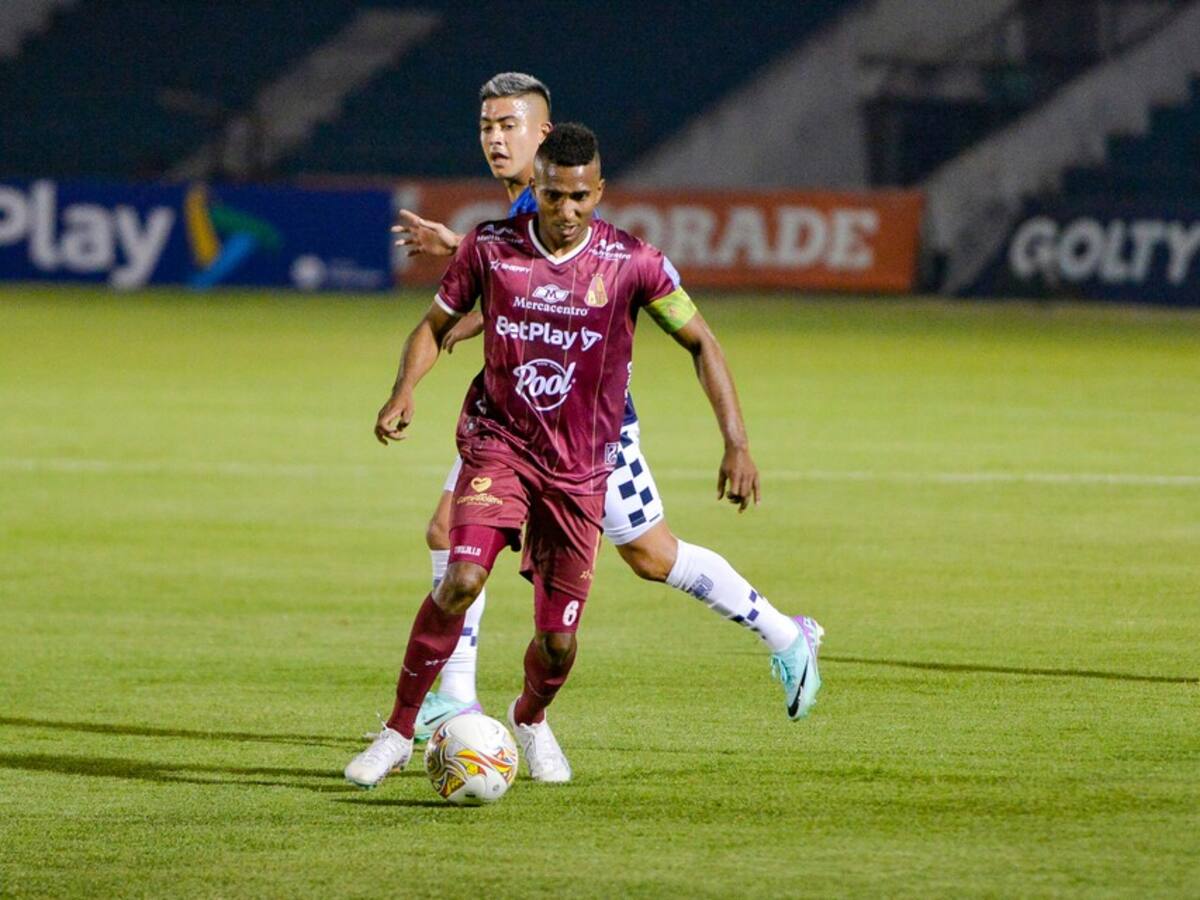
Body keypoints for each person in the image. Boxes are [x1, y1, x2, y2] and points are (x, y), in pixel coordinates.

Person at [345, 124, 822, 788]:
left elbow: (702, 341)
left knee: (573, 628)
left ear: (598, 191)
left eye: (578, 198)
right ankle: (400, 731)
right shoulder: (491, 245)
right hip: (500, 443)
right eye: (553, 197)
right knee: (459, 575)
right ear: (534, 192)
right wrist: (404, 390)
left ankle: (530, 718)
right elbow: (437, 322)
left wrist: (737, 444)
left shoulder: (633, 262)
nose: (566, 213)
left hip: (584, 463)